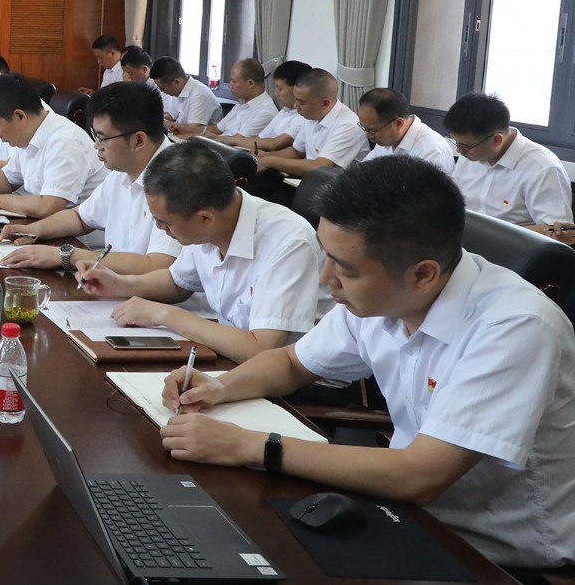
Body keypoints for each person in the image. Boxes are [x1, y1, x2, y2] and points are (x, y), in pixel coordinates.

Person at [159, 156, 575, 571]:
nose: (326, 278)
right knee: (214, 539)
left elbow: (421, 475)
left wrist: (246, 445)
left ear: (423, 275)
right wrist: (220, 387)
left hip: (497, 551)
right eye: (327, 256)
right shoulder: (382, 296)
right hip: (404, 510)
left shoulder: (515, 326)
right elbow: (292, 362)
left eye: (345, 269)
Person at [76, 140, 323, 362]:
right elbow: (177, 282)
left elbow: (261, 350)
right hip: (230, 358)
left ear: (205, 218)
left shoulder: (288, 243)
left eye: (165, 222)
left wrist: (164, 315)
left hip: (300, 384)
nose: (160, 229)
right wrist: (120, 284)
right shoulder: (214, 219)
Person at [0, 82, 182, 275]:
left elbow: (159, 265)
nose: (96, 145)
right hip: (117, 283)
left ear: (138, 140)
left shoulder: (176, 179)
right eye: (95, 135)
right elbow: (81, 217)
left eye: (102, 137)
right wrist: (34, 230)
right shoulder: (124, 169)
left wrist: (67, 255)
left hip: (144, 291)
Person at [0, 73, 106, 219]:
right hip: (42, 224)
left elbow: (48, 206)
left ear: (19, 116)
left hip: (76, 233)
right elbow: (8, 177)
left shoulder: (64, 142)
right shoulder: (28, 135)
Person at [444, 92, 571, 236]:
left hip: (515, 248)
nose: (459, 151)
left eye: (465, 147)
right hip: (464, 241)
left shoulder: (543, 168)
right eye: (457, 144)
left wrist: (495, 235)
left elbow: (558, 232)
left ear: (497, 140)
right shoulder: (470, 156)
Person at [256, 68, 367, 176]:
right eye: (296, 100)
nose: (295, 106)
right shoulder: (311, 115)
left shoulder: (349, 125)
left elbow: (320, 167)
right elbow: (296, 151)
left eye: (301, 102)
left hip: (333, 185)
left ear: (325, 103)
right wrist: (266, 156)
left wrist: (271, 161)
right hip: (309, 180)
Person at [215, 59, 312, 153]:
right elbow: (260, 138)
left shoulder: (302, 117)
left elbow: (275, 143)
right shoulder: (284, 111)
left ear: (297, 89)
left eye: (280, 89)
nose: (276, 93)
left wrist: (232, 140)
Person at [173, 59, 275, 140]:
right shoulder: (242, 102)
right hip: (217, 145)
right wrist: (183, 129)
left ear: (250, 83)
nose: (230, 85)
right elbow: (216, 129)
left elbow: (238, 140)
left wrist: (193, 138)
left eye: (234, 82)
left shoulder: (265, 111)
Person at [358, 88, 452, 172]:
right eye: (364, 129)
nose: (368, 136)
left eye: (372, 130)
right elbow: (362, 171)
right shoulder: (386, 138)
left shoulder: (430, 151)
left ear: (398, 123)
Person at [150, 57, 222, 127]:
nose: (162, 91)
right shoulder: (178, 91)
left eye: (163, 88)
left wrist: (163, 122)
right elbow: (171, 116)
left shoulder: (200, 94)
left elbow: (193, 129)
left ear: (176, 81)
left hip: (198, 135)